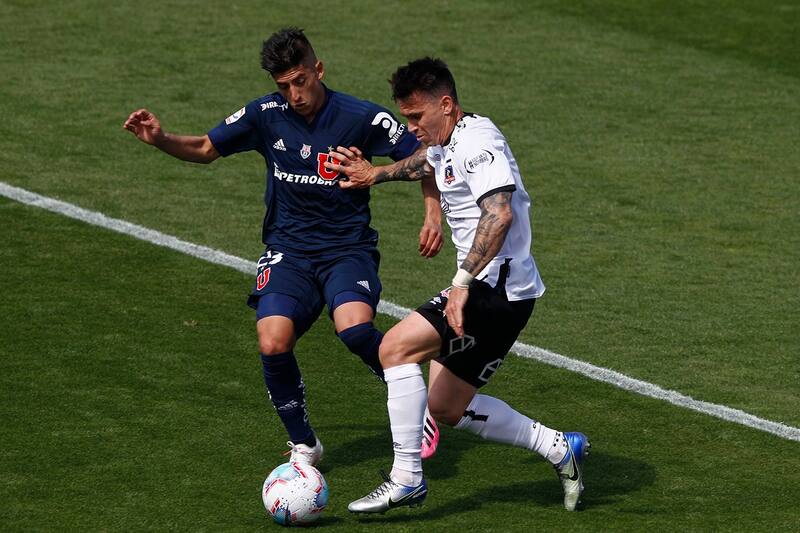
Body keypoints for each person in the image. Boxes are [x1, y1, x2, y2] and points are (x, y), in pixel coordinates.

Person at [122, 28, 444, 467]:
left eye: (300, 81)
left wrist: (432, 215)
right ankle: (305, 444)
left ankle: (413, 401)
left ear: (318, 70)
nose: (294, 94)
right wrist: (160, 139)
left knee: (353, 329)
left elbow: (426, 158)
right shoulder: (264, 114)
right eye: (283, 85)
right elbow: (203, 148)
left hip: (346, 249)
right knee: (272, 341)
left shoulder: (361, 117)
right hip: (288, 250)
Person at [325, 57, 590, 513]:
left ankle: (407, 477)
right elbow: (424, 162)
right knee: (446, 406)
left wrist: (462, 283)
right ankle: (556, 447)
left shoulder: (477, 143)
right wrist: (375, 174)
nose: (411, 128)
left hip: (494, 289)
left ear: (445, 105)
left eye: (416, 117)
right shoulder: (448, 140)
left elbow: (500, 213)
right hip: (508, 293)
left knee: (394, 348)